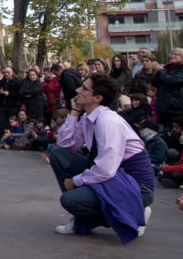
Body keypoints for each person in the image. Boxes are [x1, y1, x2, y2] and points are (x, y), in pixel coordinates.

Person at [50, 73, 154, 243]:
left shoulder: (108, 121)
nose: (77, 90)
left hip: (134, 185)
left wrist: (76, 181)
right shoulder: (88, 117)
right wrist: (75, 112)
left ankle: (133, 212)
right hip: (112, 177)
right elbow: (64, 142)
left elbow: (106, 169)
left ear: (98, 97)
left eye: (84, 88)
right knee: (58, 154)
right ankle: (83, 215)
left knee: (70, 200)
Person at [151, 47, 183, 130]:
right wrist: (157, 72)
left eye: (176, 54)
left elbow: (173, 81)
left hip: (175, 107)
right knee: (163, 132)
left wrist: (161, 71)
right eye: (171, 54)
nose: (172, 56)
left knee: (175, 131)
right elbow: (154, 83)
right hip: (162, 106)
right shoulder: (167, 68)